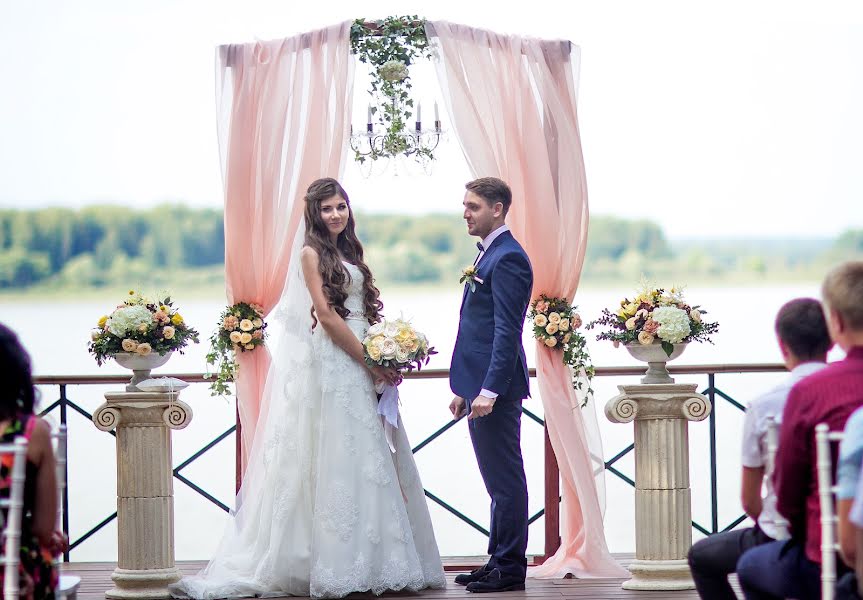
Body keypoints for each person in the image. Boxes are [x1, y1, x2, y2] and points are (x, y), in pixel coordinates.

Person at [170, 178, 445, 599]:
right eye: (327, 209)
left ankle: (378, 560)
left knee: (371, 452)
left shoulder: (350, 250)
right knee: (340, 449)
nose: (336, 215)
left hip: (362, 351)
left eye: (341, 207)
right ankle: (335, 563)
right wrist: (370, 361)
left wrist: (388, 349)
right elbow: (329, 317)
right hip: (338, 359)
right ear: (314, 215)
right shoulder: (310, 253)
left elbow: (358, 309)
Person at [686, 298, 831, 599]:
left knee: (702, 557)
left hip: (782, 535)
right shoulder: (849, 395)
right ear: (831, 340)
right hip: (845, 535)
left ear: (782, 345)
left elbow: (750, 501)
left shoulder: (766, 405)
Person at [737, 261, 863, 600]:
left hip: (831, 554)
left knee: (750, 566)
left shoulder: (811, 392)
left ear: (835, 322)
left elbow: (788, 490)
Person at [449, 177, 533, 593]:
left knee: (506, 480)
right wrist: (466, 388)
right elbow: (477, 331)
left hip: (495, 392)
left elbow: (506, 332)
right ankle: (497, 559)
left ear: (497, 209)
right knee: (496, 481)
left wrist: (488, 392)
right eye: (465, 205)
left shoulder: (509, 258)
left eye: (473, 206)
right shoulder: (490, 255)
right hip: (479, 388)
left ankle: (511, 569)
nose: (465, 212)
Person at [0, 323, 62, 600]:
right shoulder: (32, 432)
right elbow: (42, 528)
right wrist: (50, 539)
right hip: (10, 572)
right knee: (40, 549)